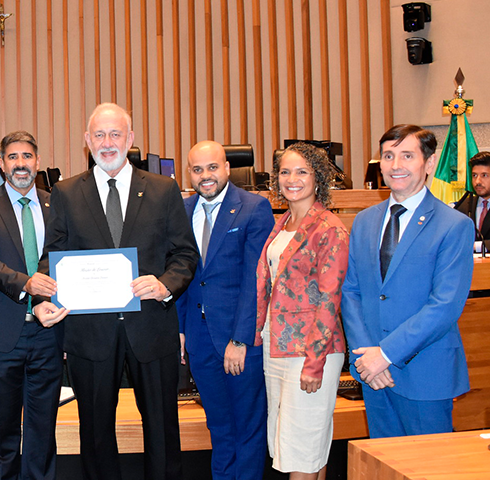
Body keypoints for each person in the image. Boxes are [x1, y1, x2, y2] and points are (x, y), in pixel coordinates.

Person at [33, 103, 197, 480]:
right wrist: (44, 300)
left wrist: (164, 285)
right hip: (90, 335)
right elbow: (53, 257)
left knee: (161, 430)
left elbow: (185, 254)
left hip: (151, 329)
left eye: (116, 134)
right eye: (100, 135)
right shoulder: (66, 192)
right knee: (94, 433)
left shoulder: (163, 189)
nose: (108, 143)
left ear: (131, 139)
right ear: (87, 140)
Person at [342, 124, 472, 438]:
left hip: (424, 374)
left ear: (428, 164)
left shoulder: (454, 225)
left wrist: (384, 355)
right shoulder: (364, 220)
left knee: (429, 468)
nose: (395, 165)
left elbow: (444, 307)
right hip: (374, 375)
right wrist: (365, 357)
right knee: (385, 467)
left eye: (407, 155)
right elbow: (351, 292)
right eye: (388, 156)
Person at [0, 131, 63, 480]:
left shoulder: (56, 204)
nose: (20, 164)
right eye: (13, 157)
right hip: (0, 335)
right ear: (1, 164)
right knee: (5, 431)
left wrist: (40, 297)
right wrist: (27, 284)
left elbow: (58, 256)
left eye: (27, 156)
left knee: (42, 429)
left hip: (47, 333)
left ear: (37, 162)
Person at [176, 141, 273, 480]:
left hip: (238, 340)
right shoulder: (182, 209)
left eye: (212, 167)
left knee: (247, 427)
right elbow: (184, 275)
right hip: (200, 340)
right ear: (190, 173)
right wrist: (181, 330)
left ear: (228, 168)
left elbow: (255, 281)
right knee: (218, 426)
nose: (206, 176)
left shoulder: (253, 208)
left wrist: (240, 339)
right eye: (198, 169)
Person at [255, 143, 348, 480]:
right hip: (277, 347)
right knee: (306, 446)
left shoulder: (329, 228)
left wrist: (314, 362)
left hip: (311, 351)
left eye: (301, 171)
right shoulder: (282, 223)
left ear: (318, 177)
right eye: (284, 172)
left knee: (300, 450)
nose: (291, 179)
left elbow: (329, 299)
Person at [453, 151, 490, 251]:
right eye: (474, 175)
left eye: (484, 175)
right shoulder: (463, 205)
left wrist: (476, 246)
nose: (478, 181)